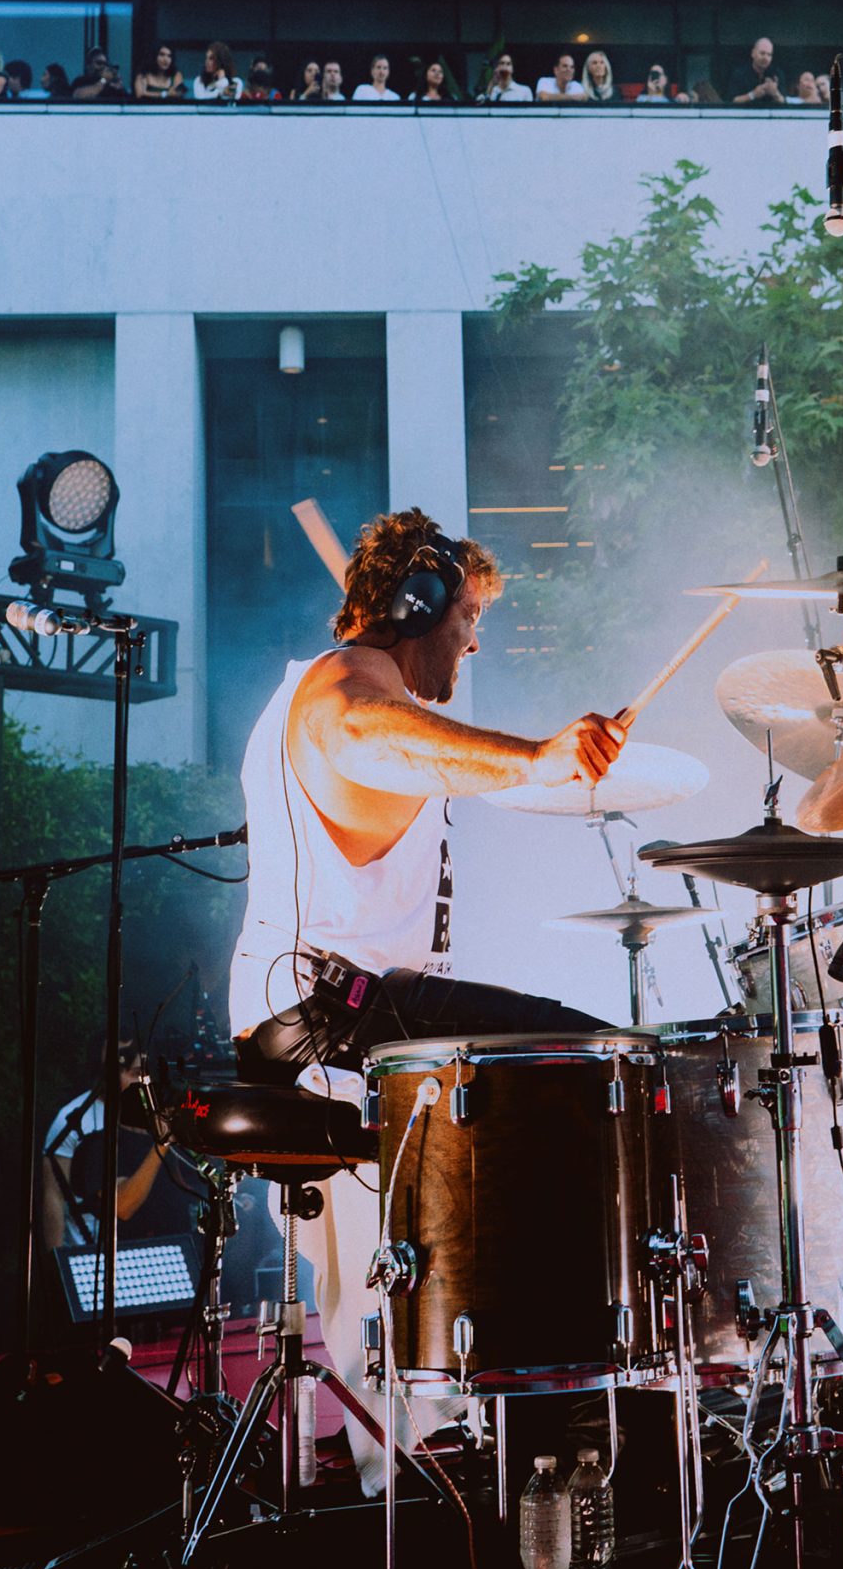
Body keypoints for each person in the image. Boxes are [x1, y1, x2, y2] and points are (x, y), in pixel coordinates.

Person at [226, 508, 625, 1490]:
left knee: (565, 1061)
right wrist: (533, 758)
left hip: (354, 1010)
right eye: (468, 616)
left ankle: (472, 1440)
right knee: (585, 1063)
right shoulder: (339, 693)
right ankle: (534, 1425)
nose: (475, 641)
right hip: (327, 1019)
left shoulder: (361, 685)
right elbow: (367, 735)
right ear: (419, 604)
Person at [41, 1040, 184, 1254]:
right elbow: (54, 1196)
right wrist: (56, 1260)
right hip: (94, 1249)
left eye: (145, 1074)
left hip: (154, 1246)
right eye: (134, 1073)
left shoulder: (152, 1114)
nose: (142, 1082)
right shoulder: (73, 1120)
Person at [729, 35, 783, 105]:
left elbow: (785, 102)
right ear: (753, 53)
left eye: (769, 55)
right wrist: (753, 95)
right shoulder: (740, 74)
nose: (765, 58)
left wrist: (775, 93)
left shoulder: (777, 74)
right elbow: (732, 101)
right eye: (762, 53)